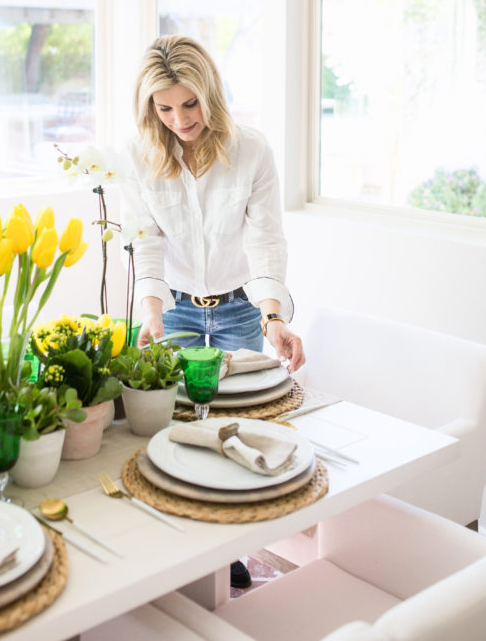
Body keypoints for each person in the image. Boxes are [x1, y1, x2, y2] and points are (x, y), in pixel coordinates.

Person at [122, 35, 305, 589]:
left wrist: (273, 316)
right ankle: (180, 554)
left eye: (190, 103)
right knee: (173, 433)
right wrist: (149, 311)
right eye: (165, 107)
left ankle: (232, 552)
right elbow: (146, 242)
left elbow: (266, 241)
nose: (180, 118)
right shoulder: (139, 154)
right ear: (150, 107)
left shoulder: (252, 150)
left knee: (238, 435)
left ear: (210, 93)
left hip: (239, 313)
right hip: (174, 312)